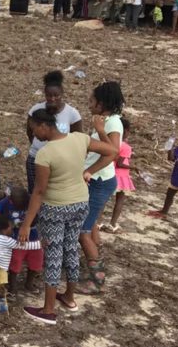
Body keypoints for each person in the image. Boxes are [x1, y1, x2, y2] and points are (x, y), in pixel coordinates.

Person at [20, 110, 117, 324]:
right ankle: (69, 298)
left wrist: (26, 224)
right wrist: (89, 170)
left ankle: (48, 310)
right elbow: (112, 151)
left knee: (54, 254)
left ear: (44, 125)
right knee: (71, 247)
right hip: (80, 203)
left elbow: (39, 191)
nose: (33, 133)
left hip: (55, 208)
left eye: (34, 128)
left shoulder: (45, 154)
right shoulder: (79, 139)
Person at [78, 81, 123, 294]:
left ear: (102, 103)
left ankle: (97, 279)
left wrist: (90, 171)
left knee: (82, 230)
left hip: (99, 182)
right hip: (98, 180)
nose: (89, 104)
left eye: (92, 101)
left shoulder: (112, 123)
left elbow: (113, 151)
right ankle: (97, 257)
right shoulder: (108, 120)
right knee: (92, 223)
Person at [25, 71, 82, 192]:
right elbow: (29, 131)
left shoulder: (72, 113)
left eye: (56, 95)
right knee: (35, 191)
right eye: (49, 96)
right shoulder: (36, 109)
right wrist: (37, 146)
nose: (52, 99)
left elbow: (78, 138)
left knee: (54, 192)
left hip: (60, 161)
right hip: (36, 157)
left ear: (62, 93)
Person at [0, 186, 42, 295]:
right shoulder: (7, 202)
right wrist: (7, 224)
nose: (19, 206)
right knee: (15, 262)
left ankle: (29, 283)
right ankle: (13, 286)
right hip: (15, 239)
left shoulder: (31, 202)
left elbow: (36, 218)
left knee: (36, 261)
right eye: (16, 204)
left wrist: (27, 224)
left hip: (33, 238)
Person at [102, 119, 133, 234]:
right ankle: (113, 224)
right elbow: (120, 163)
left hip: (110, 174)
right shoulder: (126, 147)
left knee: (104, 200)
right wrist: (133, 167)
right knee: (120, 200)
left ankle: (98, 222)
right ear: (126, 131)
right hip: (122, 177)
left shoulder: (111, 143)